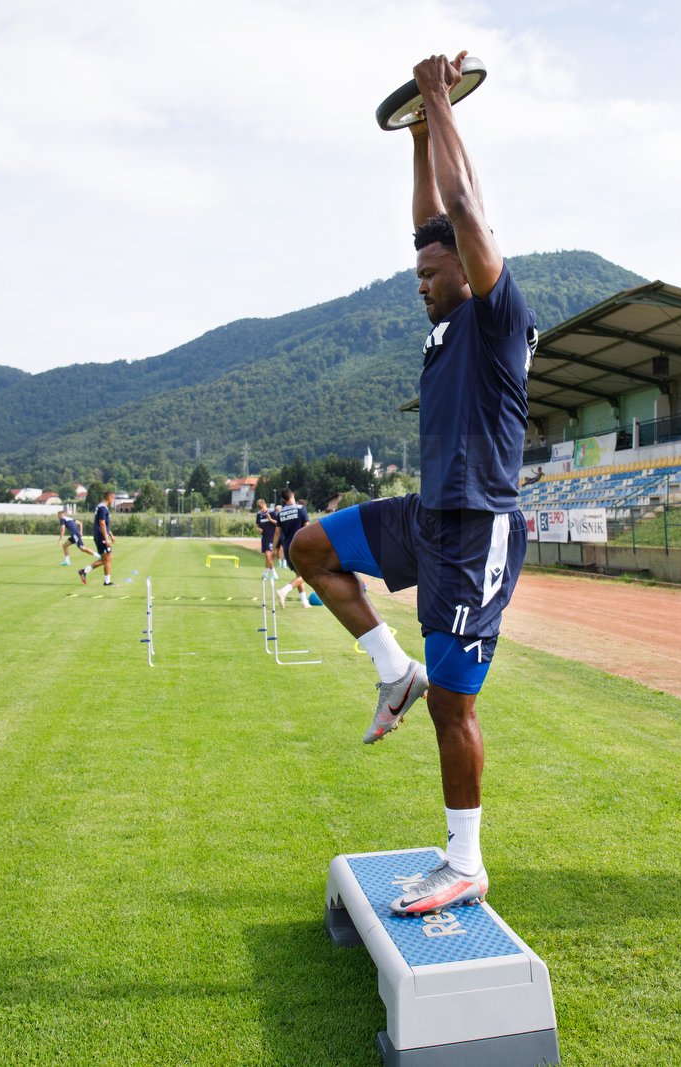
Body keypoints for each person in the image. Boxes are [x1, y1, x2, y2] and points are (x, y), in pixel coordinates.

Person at [290, 52, 535, 917]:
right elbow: (433, 216)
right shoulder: (444, 315)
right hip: (428, 515)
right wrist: (417, 132)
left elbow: (462, 209)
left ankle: (465, 860)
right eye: (421, 275)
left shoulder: (499, 320)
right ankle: (393, 672)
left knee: (455, 708)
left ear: (475, 267)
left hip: (478, 530)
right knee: (309, 547)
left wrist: (439, 99)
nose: (424, 286)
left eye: (435, 275)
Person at [274, 489, 311, 608]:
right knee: (306, 575)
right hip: (300, 546)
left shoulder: (280, 513)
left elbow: (277, 533)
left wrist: (275, 548)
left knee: (299, 574)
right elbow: (307, 528)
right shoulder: (301, 509)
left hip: (287, 547)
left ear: (283, 500)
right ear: (293, 495)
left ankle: (304, 602)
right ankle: (283, 591)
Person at [79, 490, 117, 586]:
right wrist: (106, 538)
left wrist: (111, 535)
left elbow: (106, 525)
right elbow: (102, 524)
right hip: (101, 536)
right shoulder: (103, 508)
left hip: (101, 536)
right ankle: (107, 581)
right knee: (108, 559)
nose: (113, 501)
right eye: (113, 499)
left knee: (106, 559)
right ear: (109, 498)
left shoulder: (100, 507)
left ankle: (84, 571)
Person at [255, 498, 281, 579]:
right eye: (260, 509)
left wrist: (270, 519)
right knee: (267, 557)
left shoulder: (272, 512)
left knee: (267, 555)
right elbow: (257, 525)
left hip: (272, 537)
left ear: (265, 505)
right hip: (264, 537)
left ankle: (272, 574)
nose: (262, 510)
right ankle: (267, 574)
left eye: (263, 508)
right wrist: (258, 529)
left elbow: (278, 523)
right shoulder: (259, 514)